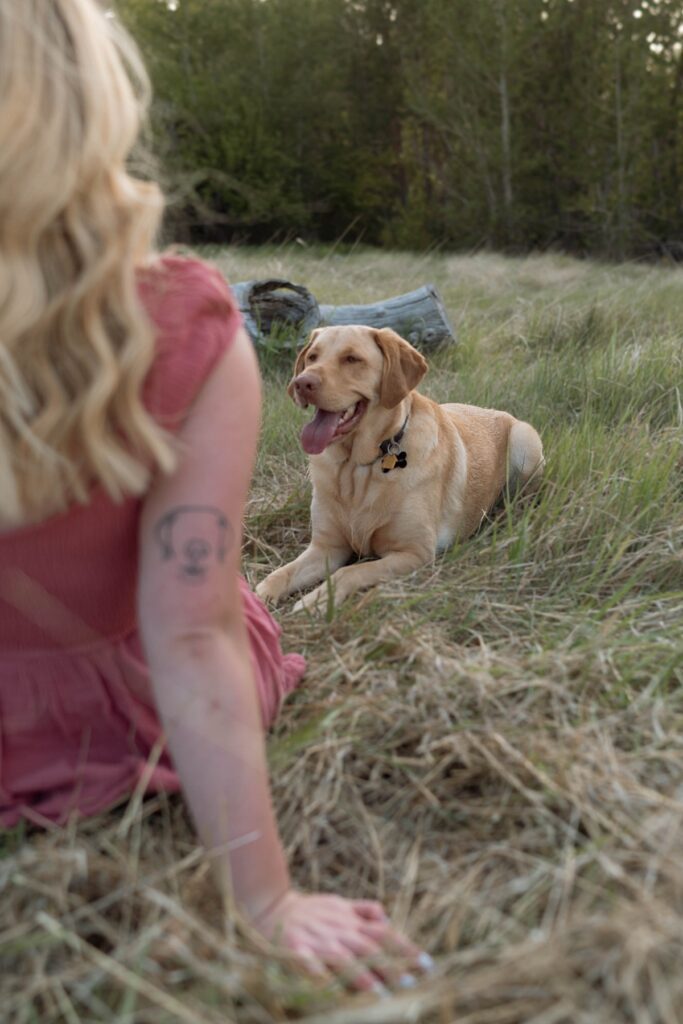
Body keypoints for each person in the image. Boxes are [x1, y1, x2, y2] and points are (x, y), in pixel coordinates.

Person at [0, 0, 429, 992]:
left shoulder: (385, 420)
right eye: (310, 360)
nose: (308, 377)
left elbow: (406, 550)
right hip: (127, 708)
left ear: (396, 377)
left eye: (342, 362)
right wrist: (266, 900)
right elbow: (189, 630)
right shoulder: (185, 325)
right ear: (94, 105)